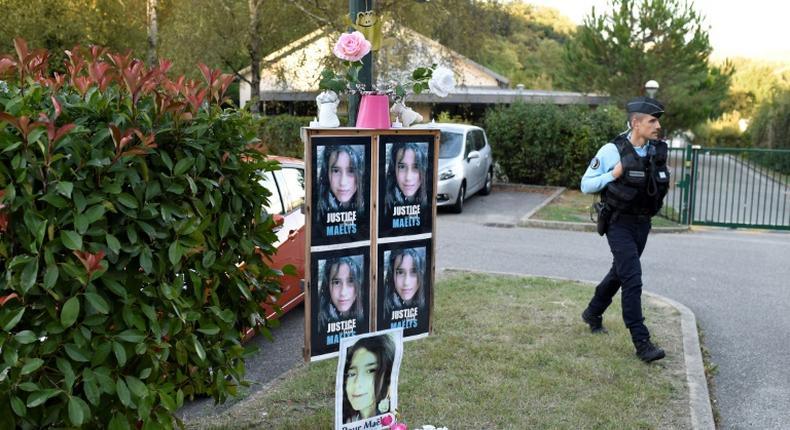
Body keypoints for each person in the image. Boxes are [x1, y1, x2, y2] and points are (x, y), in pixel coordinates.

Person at [580, 96, 671, 363]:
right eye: (652, 121)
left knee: (620, 273)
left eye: (658, 121)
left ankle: (593, 312)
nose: (657, 126)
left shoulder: (655, 150)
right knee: (633, 277)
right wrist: (614, 174)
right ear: (636, 123)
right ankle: (642, 342)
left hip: (643, 223)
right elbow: (586, 184)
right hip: (618, 222)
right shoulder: (612, 150)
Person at [342, 334, 395, 423]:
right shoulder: (347, 419)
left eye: (370, 371)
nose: (357, 383)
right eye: (352, 374)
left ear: (387, 375)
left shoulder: (390, 417)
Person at [316, 145, 365, 224]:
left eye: (351, 171)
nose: (343, 182)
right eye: (336, 171)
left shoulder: (369, 209)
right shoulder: (318, 212)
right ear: (326, 173)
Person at [318, 256, 365, 334]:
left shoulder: (368, 314)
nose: (343, 292)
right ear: (327, 286)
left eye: (351, 281)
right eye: (336, 282)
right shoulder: (319, 321)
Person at [382, 248, 426, 320]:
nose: (406, 282)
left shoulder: (425, 302)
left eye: (414, 272)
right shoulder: (383, 307)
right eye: (400, 272)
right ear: (392, 274)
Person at [384, 141, 428, 211]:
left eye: (416, 167)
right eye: (402, 167)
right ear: (393, 169)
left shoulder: (429, 200)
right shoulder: (383, 203)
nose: (408, 177)